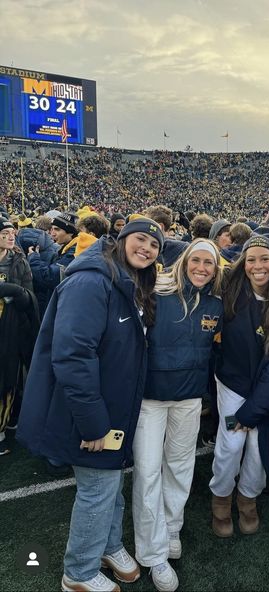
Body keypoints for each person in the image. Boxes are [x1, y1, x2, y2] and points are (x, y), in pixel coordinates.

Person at [17, 218, 163, 592]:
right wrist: (93, 423)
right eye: (141, 239)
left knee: (110, 483)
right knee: (97, 489)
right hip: (87, 412)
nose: (146, 248)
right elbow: (73, 356)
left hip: (109, 408)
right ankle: (78, 573)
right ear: (122, 239)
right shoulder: (91, 281)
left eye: (154, 245)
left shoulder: (122, 279)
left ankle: (107, 546)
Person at [132, 239, 223, 592]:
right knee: (148, 470)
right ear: (185, 261)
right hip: (150, 400)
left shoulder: (216, 301)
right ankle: (152, 552)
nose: (202, 268)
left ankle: (171, 526)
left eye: (209, 264)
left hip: (188, 399)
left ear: (216, 269)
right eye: (196, 260)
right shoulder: (155, 292)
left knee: (181, 465)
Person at [209, 234, 269, 537]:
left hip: (266, 387)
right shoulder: (229, 289)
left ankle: (247, 497)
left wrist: (255, 407)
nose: (258, 266)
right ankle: (220, 496)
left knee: (258, 447)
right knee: (231, 443)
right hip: (232, 380)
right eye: (251, 259)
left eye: (265, 258)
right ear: (243, 263)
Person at [0, 217, 39, 455]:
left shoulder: (19, 261)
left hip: (10, 330)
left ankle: (4, 425)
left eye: (12, 232)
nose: (10, 236)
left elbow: (29, 297)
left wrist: (16, 292)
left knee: (8, 376)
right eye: (4, 232)